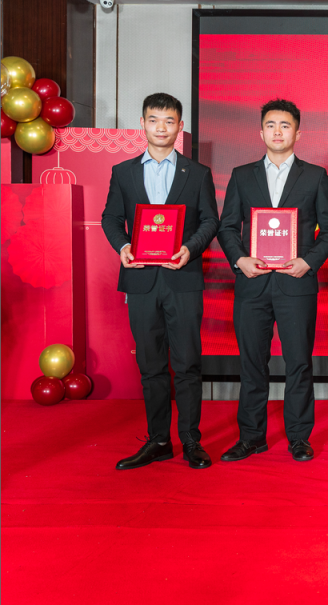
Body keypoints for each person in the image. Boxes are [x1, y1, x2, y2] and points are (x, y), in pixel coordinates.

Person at [217, 99, 328, 463]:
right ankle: (251, 437)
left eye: (285, 126)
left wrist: (308, 262)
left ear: (297, 133)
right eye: (271, 125)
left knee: (298, 362)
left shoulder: (315, 176)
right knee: (251, 363)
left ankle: (299, 437)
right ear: (260, 132)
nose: (277, 132)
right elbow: (227, 227)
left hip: (295, 284)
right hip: (252, 283)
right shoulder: (242, 175)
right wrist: (239, 259)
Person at [101, 93, 219, 470]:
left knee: (187, 363)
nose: (161, 127)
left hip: (182, 277)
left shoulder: (197, 173)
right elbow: (110, 218)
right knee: (151, 365)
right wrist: (123, 246)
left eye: (169, 121)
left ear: (180, 126)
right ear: (143, 123)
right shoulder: (124, 172)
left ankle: (191, 441)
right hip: (140, 280)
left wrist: (190, 248)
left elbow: (210, 221)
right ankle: (158, 440)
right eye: (154, 120)